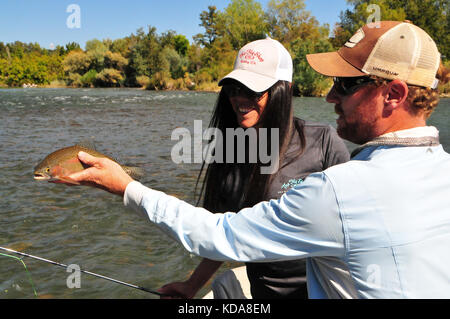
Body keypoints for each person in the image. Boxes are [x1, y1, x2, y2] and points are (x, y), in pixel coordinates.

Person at [64, 21, 450, 298]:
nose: (331, 96)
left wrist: (124, 186)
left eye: (345, 84)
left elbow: (219, 234)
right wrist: (192, 286)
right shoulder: (441, 169)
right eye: (233, 86)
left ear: (394, 94)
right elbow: (225, 227)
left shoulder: (337, 181)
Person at [157, 38, 349, 299]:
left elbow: (356, 226)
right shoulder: (230, 149)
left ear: (286, 90)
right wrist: (191, 286)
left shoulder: (323, 141)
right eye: (234, 88)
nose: (239, 99)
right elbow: (223, 233)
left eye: (253, 91)